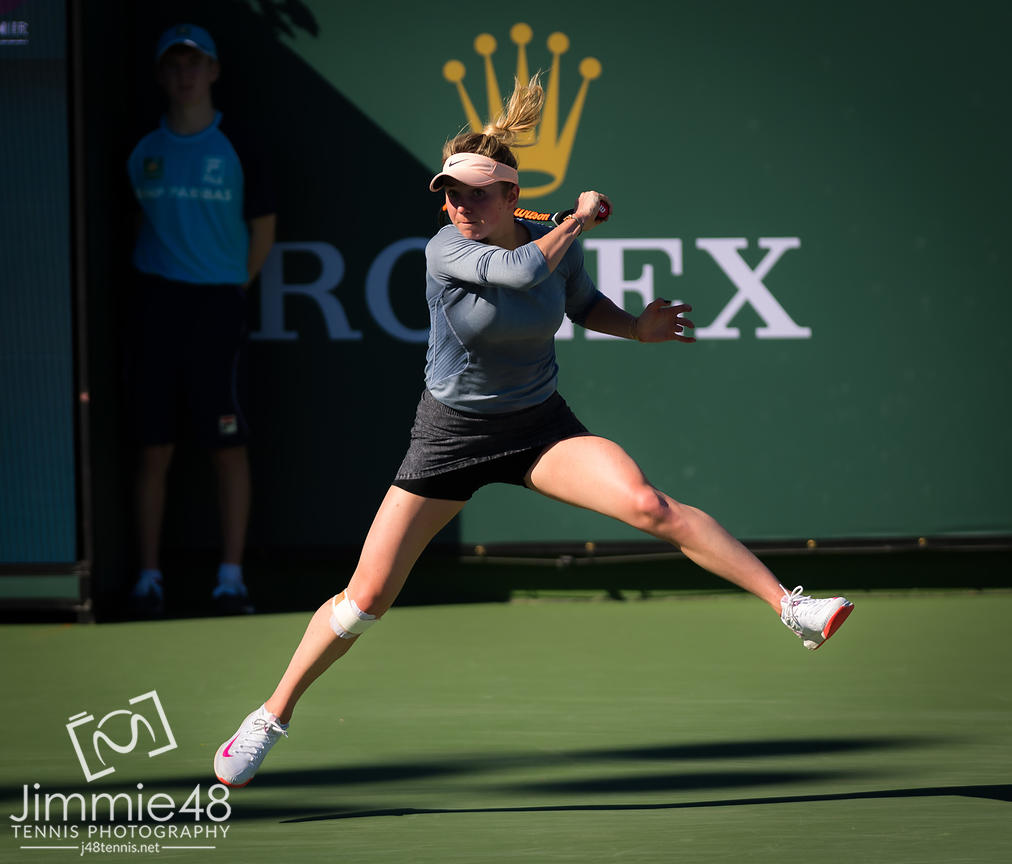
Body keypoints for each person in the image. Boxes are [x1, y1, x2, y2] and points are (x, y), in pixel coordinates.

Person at [212, 75, 852, 787]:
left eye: (476, 194)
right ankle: (270, 715)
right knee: (364, 604)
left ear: (511, 195)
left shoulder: (554, 243)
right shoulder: (446, 250)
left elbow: (580, 302)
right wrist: (574, 220)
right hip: (450, 437)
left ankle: (792, 607)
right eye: (450, 194)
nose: (459, 206)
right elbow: (520, 273)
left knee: (650, 506)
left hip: (539, 425)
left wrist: (635, 328)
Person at [126, 24, 276, 617]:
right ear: (161, 75)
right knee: (153, 447)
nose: (184, 74)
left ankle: (230, 580)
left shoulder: (237, 144)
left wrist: (232, 288)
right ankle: (147, 580)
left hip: (217, 306)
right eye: (174, 64)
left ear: (213, 71)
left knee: (226, 444)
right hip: (154, 307)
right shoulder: (141, 147)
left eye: (195, 63)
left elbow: (263, 229)